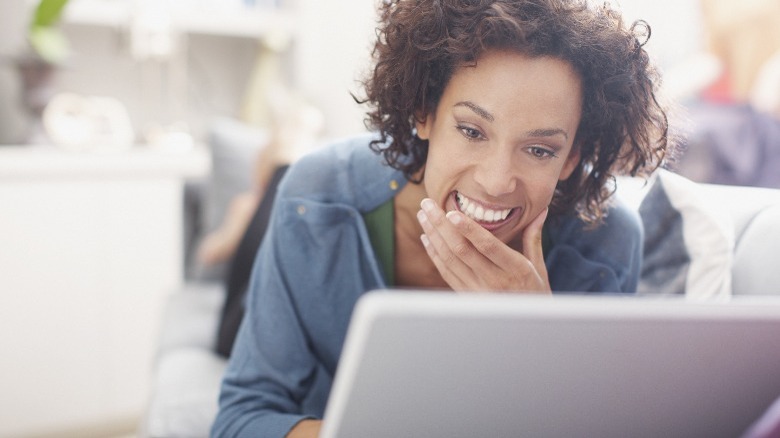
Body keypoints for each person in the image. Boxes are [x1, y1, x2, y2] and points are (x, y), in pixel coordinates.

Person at [212, 0, 670, 436]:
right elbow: (240, 421)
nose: (496, 182)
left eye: (538, 150)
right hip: (293, 216)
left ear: (571, 158)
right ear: (424, 112)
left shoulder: (605, 243)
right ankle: (272, 171)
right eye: (471, 131)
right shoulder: (318, 199)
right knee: (281, 185)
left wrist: (537, 338)